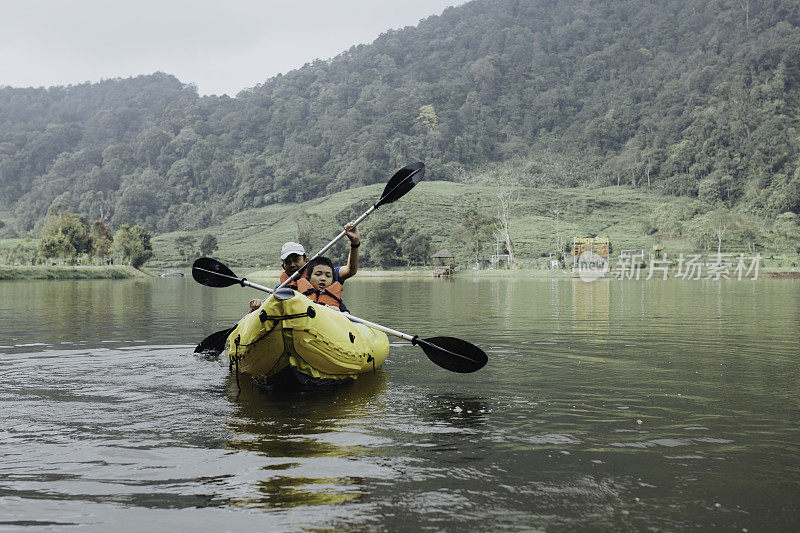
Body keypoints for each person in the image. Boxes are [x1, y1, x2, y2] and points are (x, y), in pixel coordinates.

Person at [249, 221, 360, 312]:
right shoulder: (281, 289)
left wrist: (354, 243)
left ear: (306, 261)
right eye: (288, 262)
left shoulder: (321, 273)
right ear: (283, 266)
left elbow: (351, 270)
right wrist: (257, 305)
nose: (292, 265)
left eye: (296, 260)